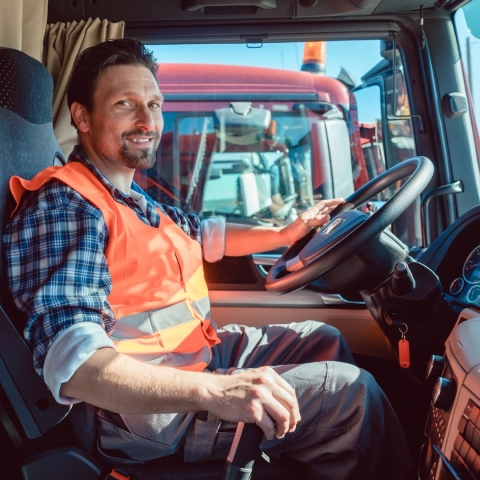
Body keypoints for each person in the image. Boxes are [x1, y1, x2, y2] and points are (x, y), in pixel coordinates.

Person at [4, 39, 412, 479]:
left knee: (322, 338)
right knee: (353, 395)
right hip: (137, 417)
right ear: (82, 116)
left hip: (188, 357)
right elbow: (76, 365)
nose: (147, 121)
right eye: (126, 104)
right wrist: (215, 389)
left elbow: (202, 234)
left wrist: (284, 232)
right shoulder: (68, 205)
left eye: (154, 104)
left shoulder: (126, 195)